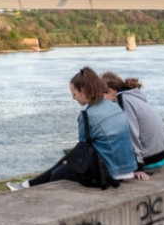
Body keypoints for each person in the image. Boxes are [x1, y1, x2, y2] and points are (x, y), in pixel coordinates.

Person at [8, 67, 142, 190]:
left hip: (110, 173)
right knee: (67, 160)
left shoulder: (87, 116)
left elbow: (82, 150)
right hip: (127, 169)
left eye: (74, 94)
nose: (73, 98)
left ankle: (28, 186)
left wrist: (68, 160)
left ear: (83, 91)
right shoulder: (114, 106)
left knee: (57, 174)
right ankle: (27, 185)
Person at [101, 71, 164, 171]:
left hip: (149, 159)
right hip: (160, 154)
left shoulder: (121, 98)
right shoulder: (132, 95)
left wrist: (138, 166)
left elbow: (131, 131)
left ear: (110, 91)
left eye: (100, 95)